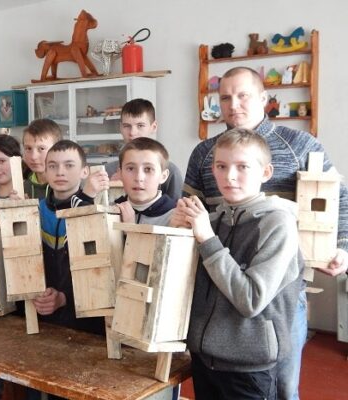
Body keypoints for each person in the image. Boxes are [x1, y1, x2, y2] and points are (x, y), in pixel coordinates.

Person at [178, 66, 348, 400]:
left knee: (281, 386)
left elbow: (338, 199)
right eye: (225, 97)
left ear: (263, 98)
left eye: (242, 95)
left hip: (277, 296)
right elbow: (189, 208)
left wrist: (343, 245)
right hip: (216, 292)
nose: (233, 105)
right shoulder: (204, 153)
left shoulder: (300, 144)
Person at [178, 128, 302, 400]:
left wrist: (207, 239)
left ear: (266, 172)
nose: (230, 176)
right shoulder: (212, 220)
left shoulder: (277, 224)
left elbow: (251, 299)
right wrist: (175, 231)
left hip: (248, 368)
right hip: (203, 359)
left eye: (242, 166)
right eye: (221, 166)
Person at [36, 139, 106, 334]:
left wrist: (65, 297)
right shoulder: (35, 211)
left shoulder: (98, 211)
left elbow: (98, 272)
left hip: (86, 318)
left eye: (69, 165)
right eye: (53, 166)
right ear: (45, 172)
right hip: (43, 313)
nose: (60, 172)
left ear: (84, 172)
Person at [105, 98, 183, 201]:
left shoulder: (171, 173)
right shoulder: (107, 171)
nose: (132, 132)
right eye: (127, 126)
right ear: (120, 128)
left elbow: (176, 209)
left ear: (153, 127)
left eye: (140, 125)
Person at [114, 137, 176, 226]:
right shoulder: (110, 211)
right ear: (120, 173)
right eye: (130, 168)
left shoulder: (177, 216)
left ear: (163, 176)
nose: (139, 178)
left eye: (148, 169)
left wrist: (130, 228)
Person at [22, 118, 63, 200]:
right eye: (28, 148)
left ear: (58, 149)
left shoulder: (67, 186)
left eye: (41, 149)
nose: (33, 157)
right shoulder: (22, 188)